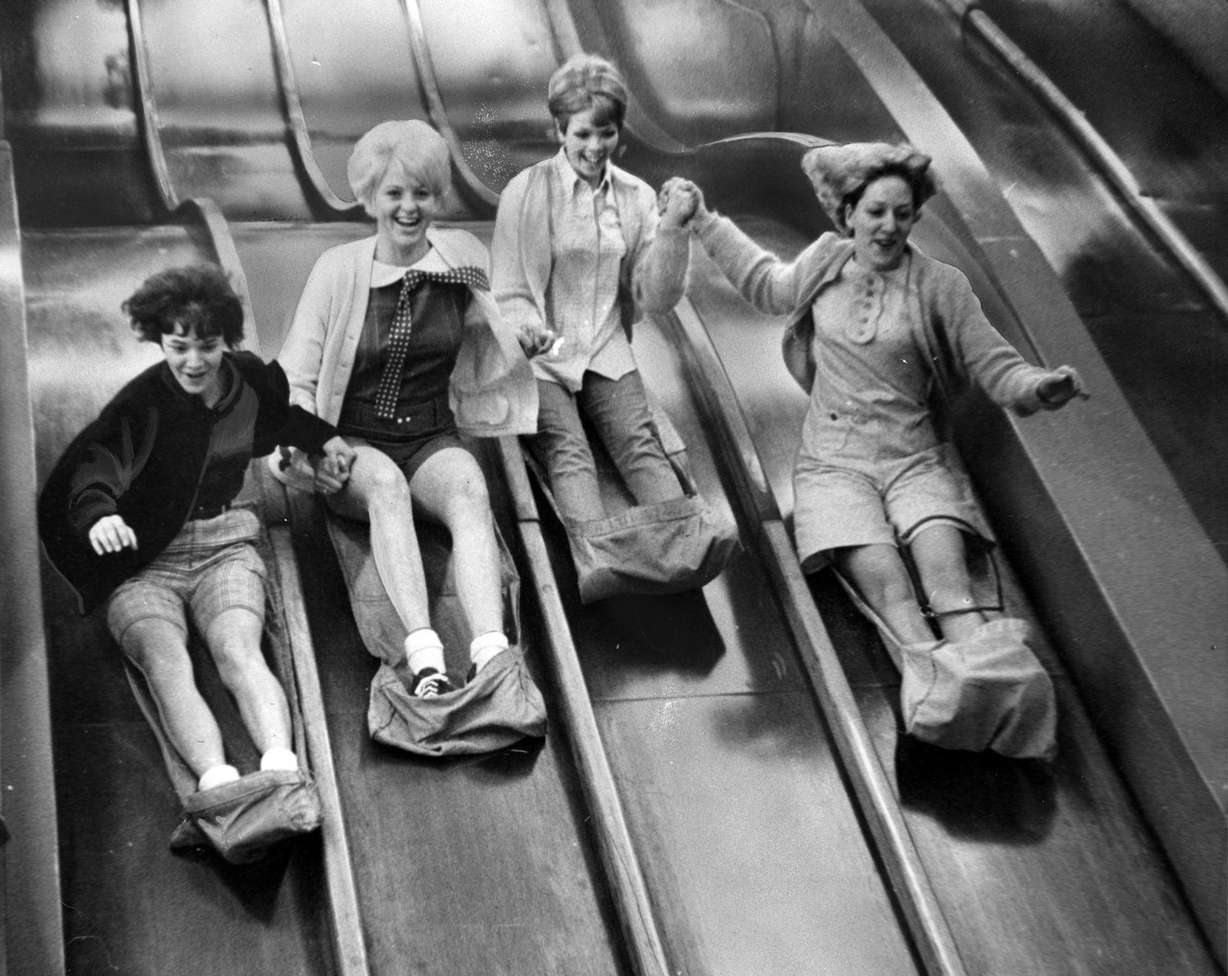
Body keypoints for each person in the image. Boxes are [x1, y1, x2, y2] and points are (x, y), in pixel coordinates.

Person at [678, 143, 1086, 754]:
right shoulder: (825, 262)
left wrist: (1037, 385)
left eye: (901, 212)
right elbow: (767, 285)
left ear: (915, 215)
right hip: (832, 466)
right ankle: (946, 712)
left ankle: (1010, 717)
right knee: (892, 591)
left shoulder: (940, 286)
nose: (888, 226)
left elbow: (994, 363)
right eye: (874, 212)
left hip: (914, 460)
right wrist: (707, 223)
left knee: (951, 587)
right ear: (848, 214)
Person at [39, 264, 354, 795]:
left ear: (224, 342)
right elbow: (97, 463)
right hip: (141, 561)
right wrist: (100, 514)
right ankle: (218, 784)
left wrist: (326, 439)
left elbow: (280, 420)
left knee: (237, 647)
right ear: (158, 340)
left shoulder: (247, 380)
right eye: (177, 345)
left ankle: (282, 770)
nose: (193, 361)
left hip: (223, 544)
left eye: (206, 346)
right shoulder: (142, 403)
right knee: (165, 658)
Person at [277, 119, 540, 699]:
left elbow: (492, 327)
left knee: (471, 490)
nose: (408, 207)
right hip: (353, 443)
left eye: (421, 193)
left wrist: (525, 335)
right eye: (394, 193)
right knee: (387, 488)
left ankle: (491, 654)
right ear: (371, 197)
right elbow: (294, 378)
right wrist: (318, 443)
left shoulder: (461, 258)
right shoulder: (338, 269)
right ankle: (425, 658)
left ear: (437, 196)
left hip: (430, 436)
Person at [491, 53, 699, 527]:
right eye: (582, 133)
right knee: (570, 451)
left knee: (641, 445)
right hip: (543, 355)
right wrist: (528, 330)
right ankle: (598, 559)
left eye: (606, 133)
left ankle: (679, 547)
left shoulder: (636, 196)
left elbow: (658, 297)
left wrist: (672, 231)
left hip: (604, 349)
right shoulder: (527, 192)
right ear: (559, 132)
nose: (595, 146)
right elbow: (512, 291)